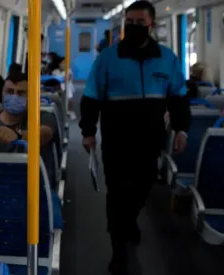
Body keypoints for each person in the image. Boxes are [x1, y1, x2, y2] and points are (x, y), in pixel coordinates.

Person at [79, 1, 190, 274]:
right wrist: (88, 131)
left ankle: (128, 220)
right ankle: (118, 249)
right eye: (130, 21)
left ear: (152, 25)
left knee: (143, 185)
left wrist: (181, 128)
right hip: (117, 139)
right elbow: (91, 96)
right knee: (117, 192)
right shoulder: (107, 58)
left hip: (150, 138)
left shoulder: (167, 58)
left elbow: (178, 96)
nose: (134, 26)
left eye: (141, 22)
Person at [0, 73, 58, 184]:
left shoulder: (43, 118)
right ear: (2, 94)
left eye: (21, 93)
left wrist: (18, 135)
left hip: (35, 189)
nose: (14, 97)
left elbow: (44, 134)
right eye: (10, 92)